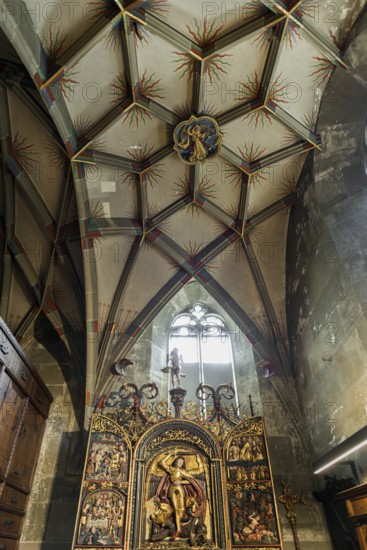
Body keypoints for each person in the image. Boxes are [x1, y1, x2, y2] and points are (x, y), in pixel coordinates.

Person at [156, 453, 206, 539]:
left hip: (180, 490)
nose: (179, 463)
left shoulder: (183, 472)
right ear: (175, 462)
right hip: (172, 490)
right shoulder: (171, 469)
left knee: (182, 509)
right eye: (178, 461)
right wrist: (169, 455)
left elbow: (190, 481)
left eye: (181, 462)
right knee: (176, 509)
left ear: (182, 464)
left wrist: (181, 482)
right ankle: (178, 530)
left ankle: (180, 524)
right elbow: (161, 463)